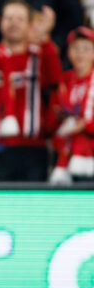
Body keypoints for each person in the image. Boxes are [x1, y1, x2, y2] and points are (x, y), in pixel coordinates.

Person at [0, 0, 62, 181]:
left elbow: (54, 79)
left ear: (30, 25)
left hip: (33, 147)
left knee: (32, 208)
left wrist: (45, 40)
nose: (14, 23)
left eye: (20, 19)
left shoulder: (39, 56)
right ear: (1, 23)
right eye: (8, 18)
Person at [48, 26, 94, 183]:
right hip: (64, 156)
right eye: (75, 48)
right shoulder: (63, 82)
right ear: (69, 53)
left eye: (86, 48)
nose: (80, 53)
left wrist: (84, 125)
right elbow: (52, 120)